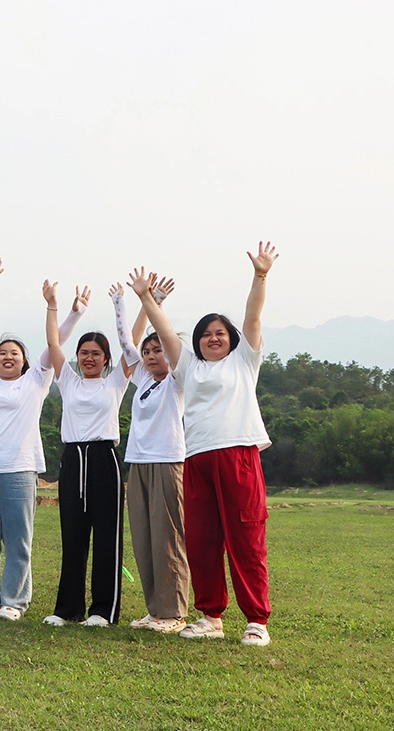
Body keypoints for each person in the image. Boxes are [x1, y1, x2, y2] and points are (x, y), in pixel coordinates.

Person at [129, 241, 280, 647]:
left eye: (220, 334)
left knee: (246, 539)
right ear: (196, 342)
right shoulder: (187, 368)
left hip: (239, 455)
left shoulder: (244, 360)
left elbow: (253, 315)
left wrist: (260, 275)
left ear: (231, 339)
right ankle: (211, 616)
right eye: (206, 335)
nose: (214, 338)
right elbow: (162, 330)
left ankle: (256, 621)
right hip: (196, 459)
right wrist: (146, 296)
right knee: (202, 541)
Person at [0, 261, 73, 622]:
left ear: (24, 361)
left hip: (20, 469)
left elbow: (56, 343)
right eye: (2, 352)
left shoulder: (36, 380)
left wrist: (56, 307)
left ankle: (14, 601)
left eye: (15, 353)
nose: (8, 356)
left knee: (19, 540)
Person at [38, 280, 132, 628]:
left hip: (104, 460)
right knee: (73, 537)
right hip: (73, 460)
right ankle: (68, 609)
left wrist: (123, 304)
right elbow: (52, 343)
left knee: (107, 538)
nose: (89, 358)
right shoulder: (68, 380)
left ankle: (102, 611)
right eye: (84, 352)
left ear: (106, 359)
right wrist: (55, 306)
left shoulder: (116, 382)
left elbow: (132, 345)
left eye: (96, 353)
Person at [109, 277, 190, 634]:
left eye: (158, 351)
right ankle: (154, 609)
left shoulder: (177, 379)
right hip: (138, 463)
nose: (152, 356)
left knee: (167, 536)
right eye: (148, 352)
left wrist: (154, 302)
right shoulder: (143, 379)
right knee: (143, 537)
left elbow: (167, 339)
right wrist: (120, 304)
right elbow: (126, 340)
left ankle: (173, 612)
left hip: (168, 461)